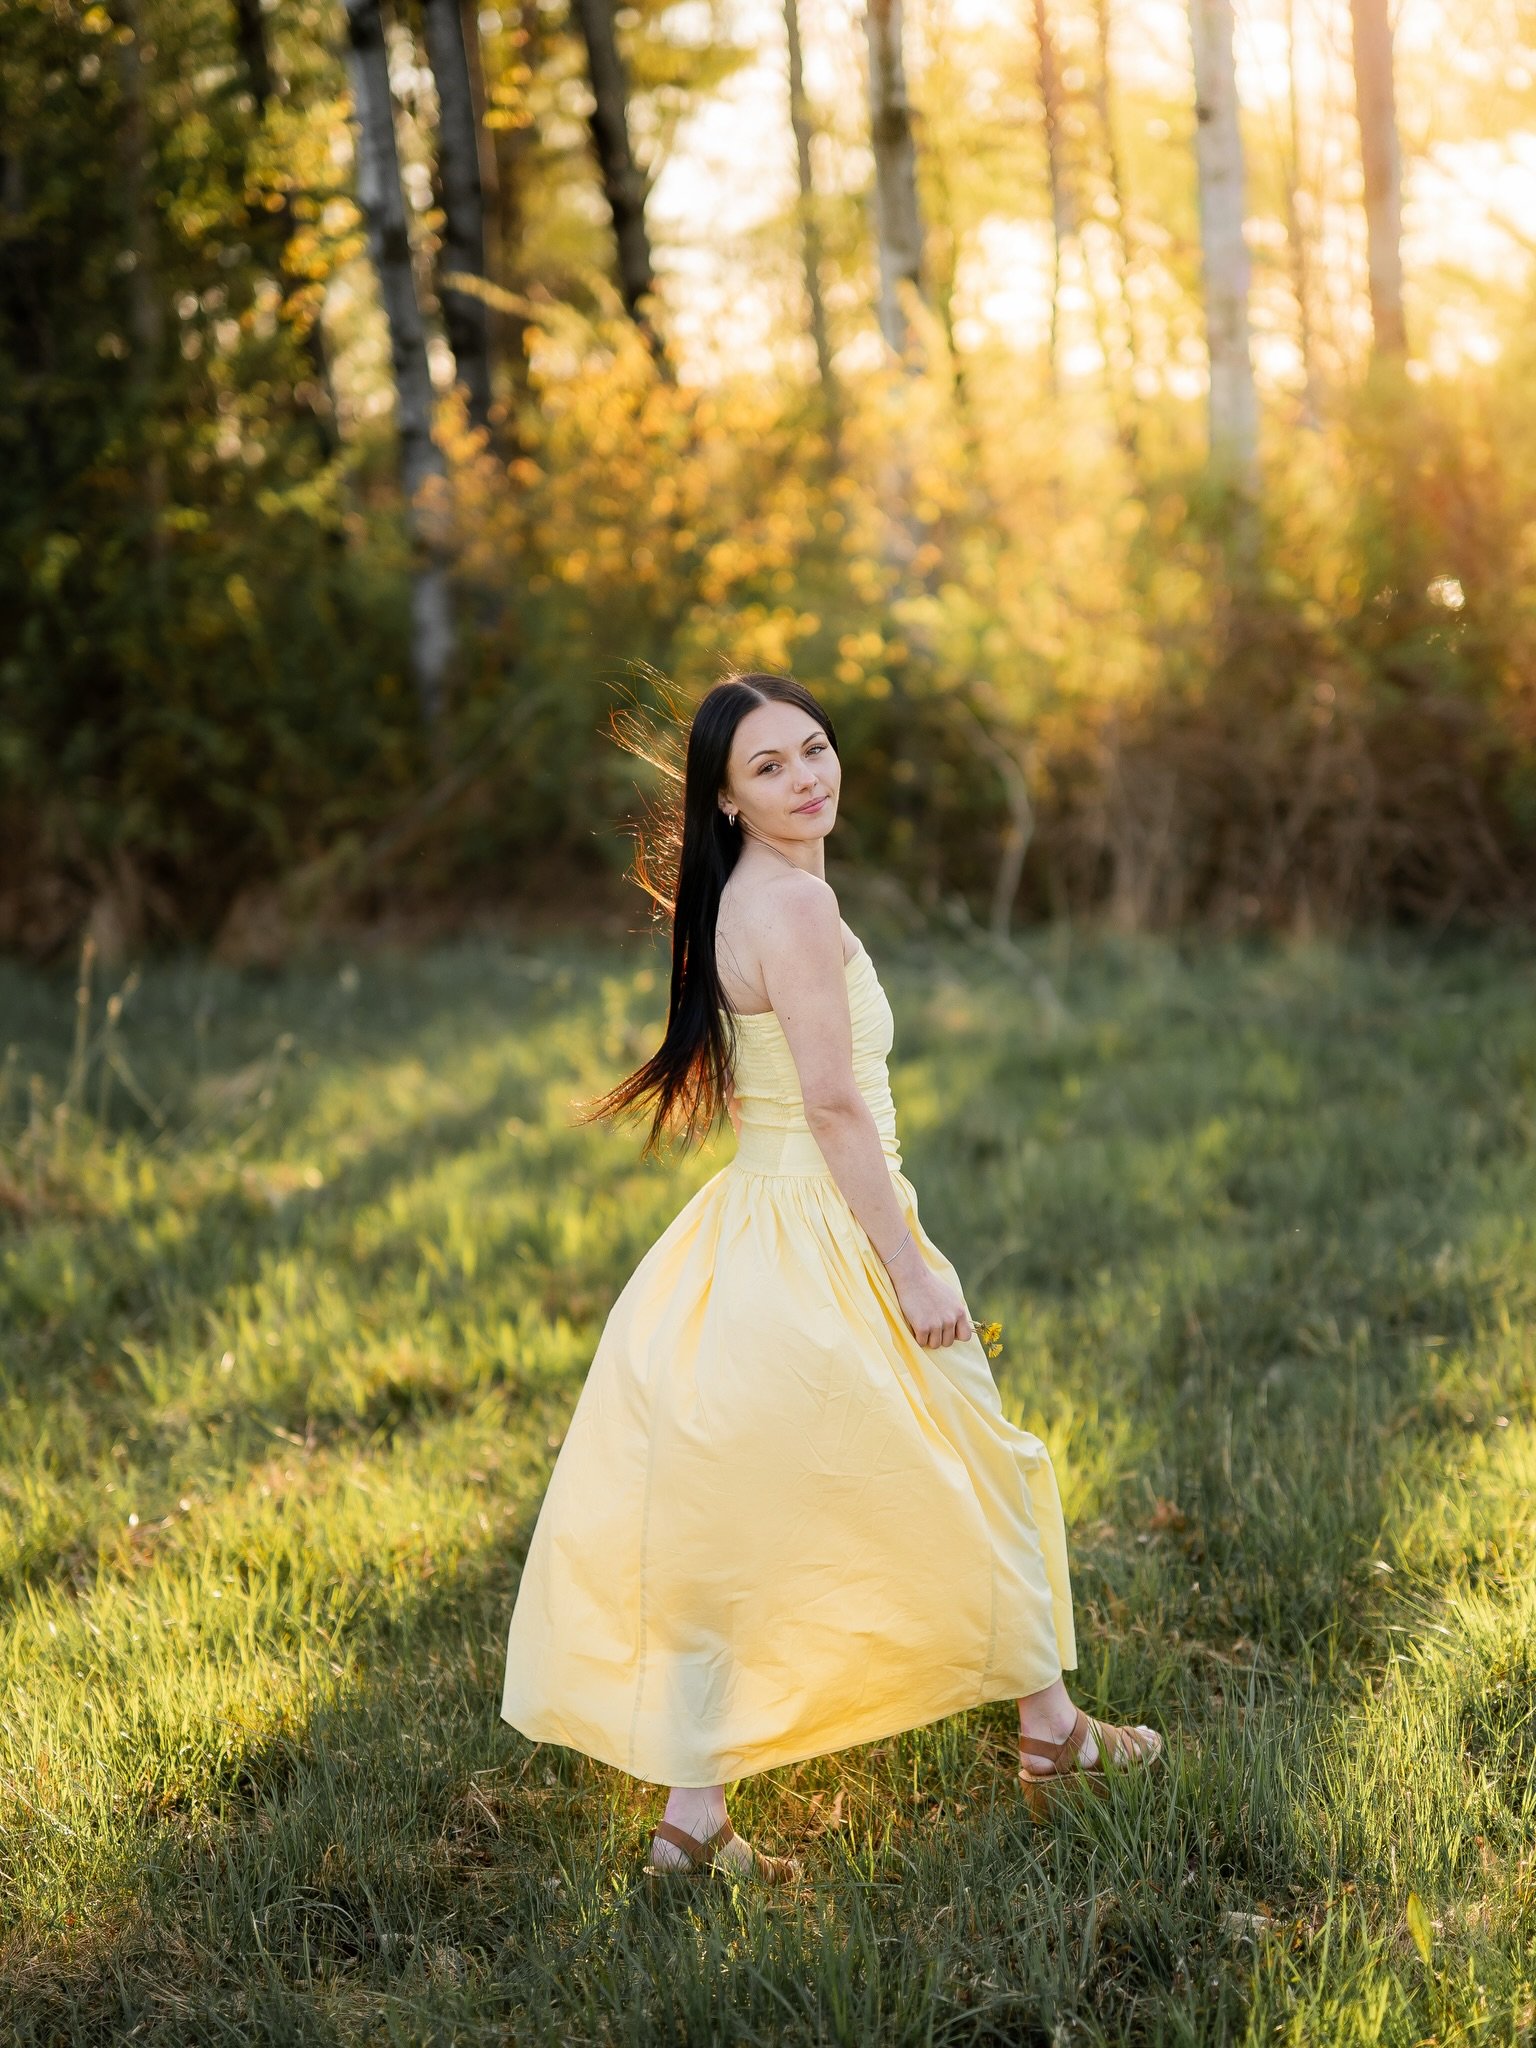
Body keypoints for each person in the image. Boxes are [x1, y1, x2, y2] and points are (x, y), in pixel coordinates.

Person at [501, 673, 1161, 1881]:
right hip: (826, 1229)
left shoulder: (743, 895)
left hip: (762, 1220)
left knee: (765, 1509)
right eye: (769, 766)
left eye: (814, 747)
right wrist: (907, 1267)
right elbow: (834, 1104)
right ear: (726, 798)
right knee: (970, 1463)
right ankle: (1048, 1734)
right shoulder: (795, 907)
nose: (808, 777)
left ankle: (705, 1815)